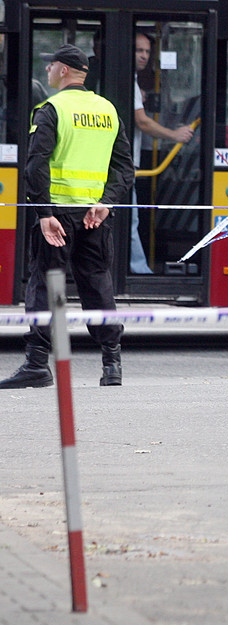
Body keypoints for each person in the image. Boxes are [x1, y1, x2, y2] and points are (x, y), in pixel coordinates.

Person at [0, 45, 134, 389]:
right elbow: (124, 167)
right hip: (95, 217)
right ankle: (112, 364)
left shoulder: (51, 108)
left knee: (46, 286)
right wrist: (107, 202)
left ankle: (36, 364)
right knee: (98, 286)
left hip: (57, 215)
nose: (47, 71)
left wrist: (43, 213)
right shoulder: (108, 110)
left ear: (62, 70)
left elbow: (36, 165)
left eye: (50, 66)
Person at [131, 32, 195, 274]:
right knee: (132, 219)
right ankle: (138, 271)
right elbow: (142, 122)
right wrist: (175, 135)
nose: (144, 56)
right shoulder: (129, 80)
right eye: (139, 50)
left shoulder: (133, 82)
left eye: (147, 51)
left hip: (131, 160)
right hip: (125, 162)